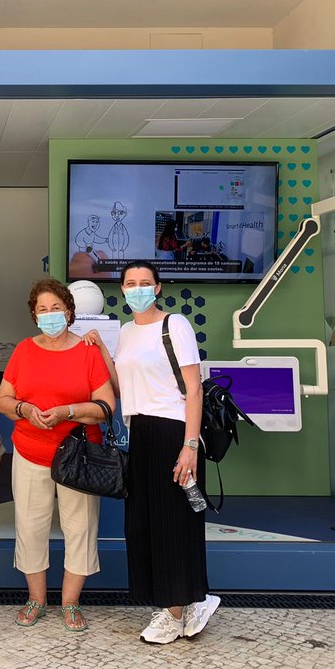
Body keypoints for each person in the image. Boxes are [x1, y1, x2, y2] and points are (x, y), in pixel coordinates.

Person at [88, 260, 219, 644]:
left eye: (146, 282)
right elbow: (122, 385)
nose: (138, 288)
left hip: (174, 429)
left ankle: (173, 610)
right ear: (122, 289)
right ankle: (190, 600)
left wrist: (190, 446)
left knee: (173, 520)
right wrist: (100, 351)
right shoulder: (126, 331)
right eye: (131, 283)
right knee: (144, 521)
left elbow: (193, 389)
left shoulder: (174, 325)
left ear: (158, 288)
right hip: (140, 431)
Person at [0, 277, 114, 632]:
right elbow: (2, 399)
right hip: (31, 453)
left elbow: (106, 406)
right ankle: (36, 599)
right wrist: (23, 408)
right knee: (30, 528)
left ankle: (71, 602)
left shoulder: (88, 352)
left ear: (70, 312)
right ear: (34, 315)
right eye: (42, 309)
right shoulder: (24, 351)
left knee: (81, 528)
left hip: (79, 456)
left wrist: (69, 412)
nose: (50, 315)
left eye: (56, 308)